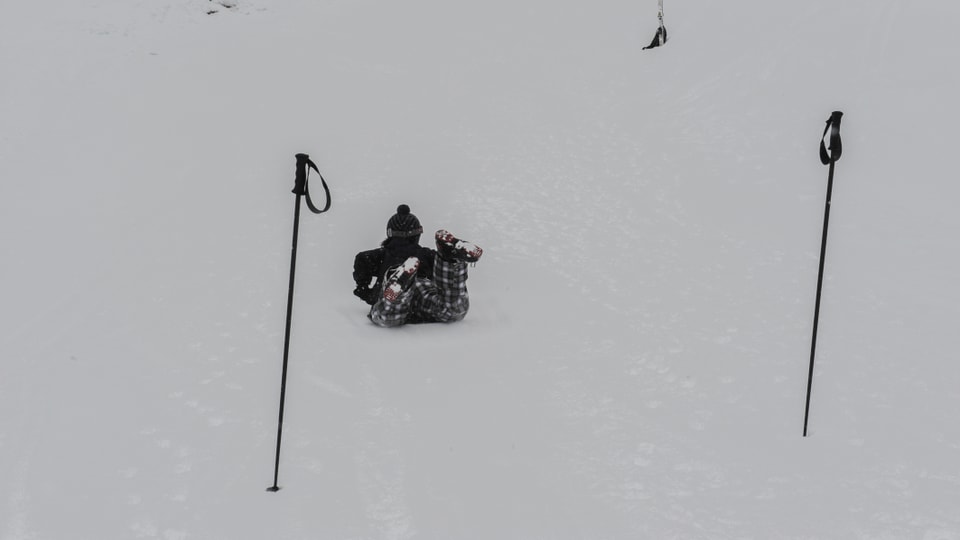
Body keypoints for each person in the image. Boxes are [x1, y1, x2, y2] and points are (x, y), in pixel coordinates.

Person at [353, 204, 483, 327]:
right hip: (422, 287)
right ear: (417, 235)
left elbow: (362, 259)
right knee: (451, 310)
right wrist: (442, 259)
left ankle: (400, 283)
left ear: (390, 233)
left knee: (387, 315)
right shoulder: (424, 254)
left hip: (390, 291)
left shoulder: (381, 254)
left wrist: (363, 288)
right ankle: (449, 257)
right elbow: (438, 270)